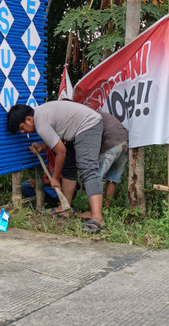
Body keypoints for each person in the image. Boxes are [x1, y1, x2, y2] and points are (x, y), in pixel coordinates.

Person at [7, 100, 105, 234]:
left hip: (88, 125)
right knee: (68, 169)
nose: (23, 132)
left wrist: (54, 178)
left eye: (22, 128)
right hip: (74, 131)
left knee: (87, 168)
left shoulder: (41, 123)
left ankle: (98, 218)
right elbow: (58, 134)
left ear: (29, 119)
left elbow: (61, 151)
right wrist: (42, 146)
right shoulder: (41, 114)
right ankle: (65, 208)